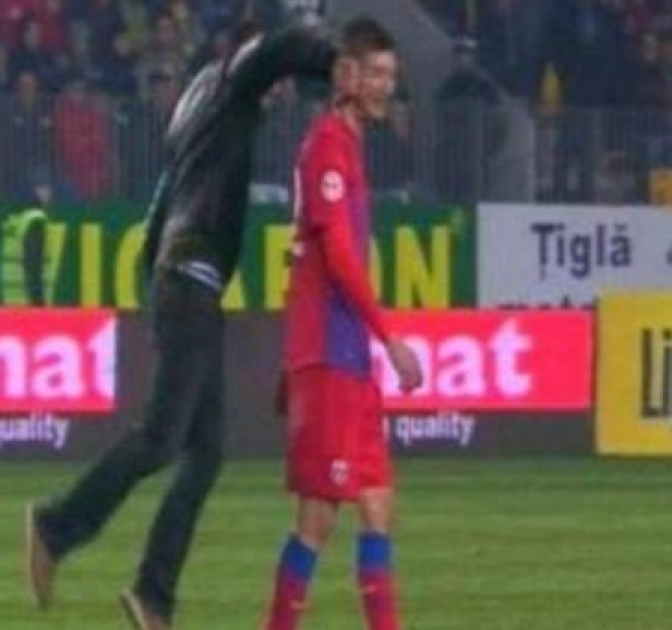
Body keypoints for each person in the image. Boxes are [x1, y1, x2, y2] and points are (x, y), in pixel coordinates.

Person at [24, 19, 339, 630]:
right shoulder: (233, 81)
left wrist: (156, 289)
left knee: (206, 452)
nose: (278, 93)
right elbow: (279, 49)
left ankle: (153, 594)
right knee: (162, 438)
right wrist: (335, 63)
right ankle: (56, 527)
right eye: (274, 84)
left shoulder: (192, 108)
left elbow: (159, 208)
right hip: (192, 275)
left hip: (183, 280)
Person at [262, 17, 423, 630]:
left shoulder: (346, 146)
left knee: (377, 505)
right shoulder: (327, 145)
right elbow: (335, 257)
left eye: (390, 75)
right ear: (346, 75)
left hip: (347, 354)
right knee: (319, 517)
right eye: (374, 73)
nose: (385, 86)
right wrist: (390, 338)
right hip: (333, 352)